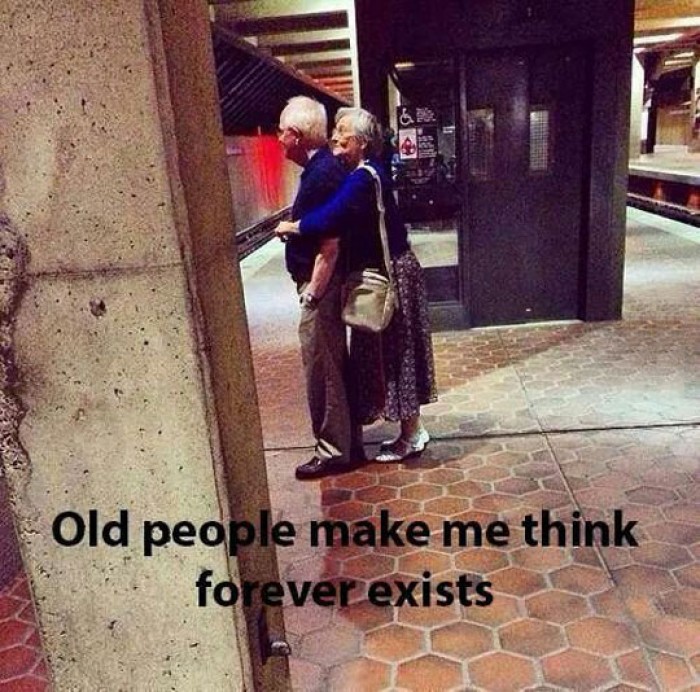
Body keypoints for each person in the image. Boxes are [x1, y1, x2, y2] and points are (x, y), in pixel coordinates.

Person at [276, 107, 437, 462]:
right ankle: (411, 430)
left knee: (398, 354)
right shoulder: (364, 171)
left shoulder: (364, 177)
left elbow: (332, 215)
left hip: (394, 274)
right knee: (395, 353)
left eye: (342, 133)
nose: (335, 137)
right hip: (396, 270)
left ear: (361, 143)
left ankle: (412, 435)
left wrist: (294, 227)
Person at [277, 96, 365, 480]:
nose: (278, 138)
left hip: (322, 288)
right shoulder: (322, 169)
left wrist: (312, 293)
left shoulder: (322, 174)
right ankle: (348, 442)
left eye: (281, 132)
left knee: (322, 368)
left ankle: (333, 451)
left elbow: (330, 246)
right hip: (326, 285)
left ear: (296, 135)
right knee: (332, 364)